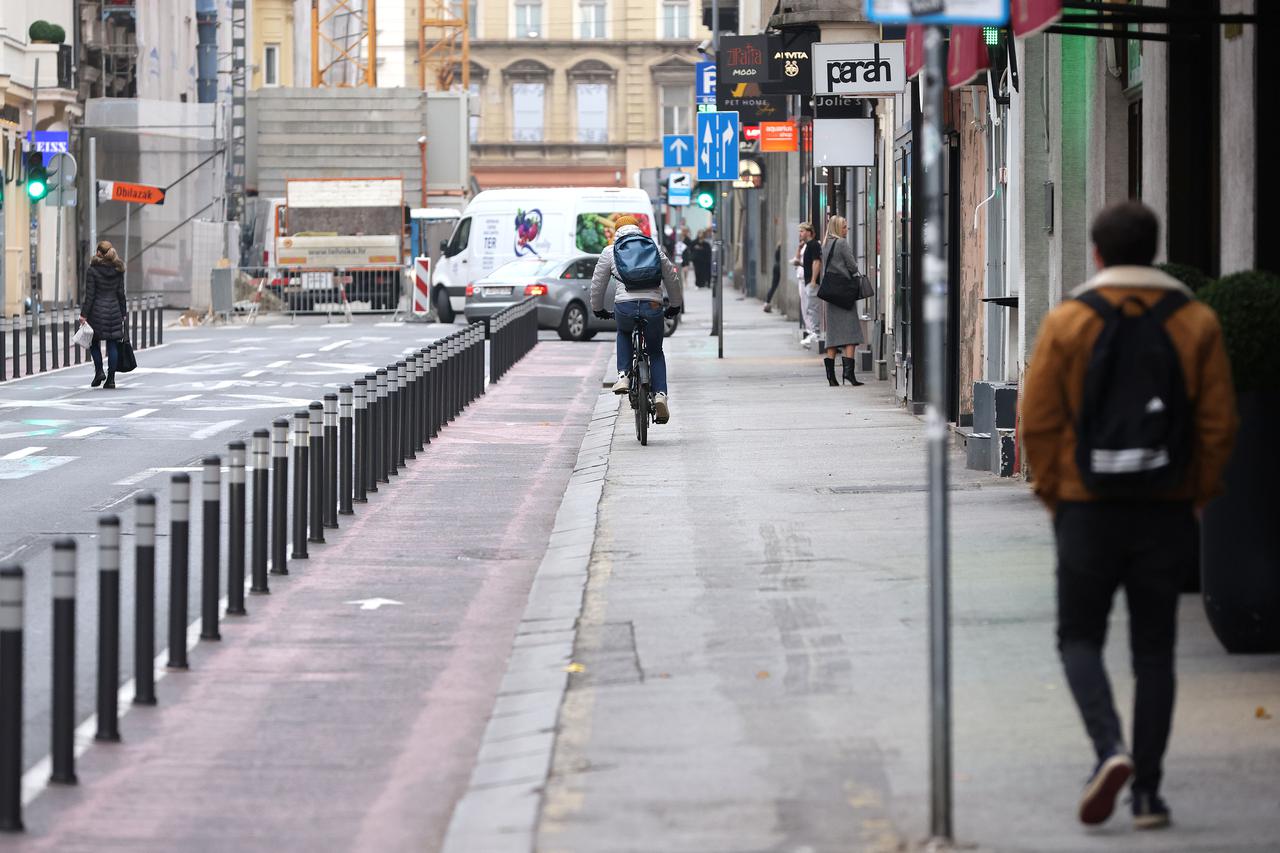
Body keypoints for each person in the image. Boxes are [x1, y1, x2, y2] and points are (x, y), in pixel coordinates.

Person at [1021, 201, 1237, 831]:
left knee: (1079, 636)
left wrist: (1058, 497)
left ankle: (1107, 748)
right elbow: (1219, 424)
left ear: (1096, 254)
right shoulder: (1195, 320)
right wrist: (1194, 494)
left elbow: (1037, 421)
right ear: (1155, 249)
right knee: (1155, 650)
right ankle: (1147, 793)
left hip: (1087, 508)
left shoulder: (1068, 320)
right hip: (1165, 507)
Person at [590, 215, 683, 424]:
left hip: (625, 306)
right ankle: (660, 395)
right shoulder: (653, 248)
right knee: (655, 351)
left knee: (623, 331)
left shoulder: (610, 251)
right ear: (638, 229)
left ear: (617, 231)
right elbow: (672, 278)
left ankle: (623, 375)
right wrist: (675, 305)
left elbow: (598, 284)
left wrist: (598, 309)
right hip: (653, 306)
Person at [817, 216, 865, 386]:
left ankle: (831, 377)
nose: (847, 229)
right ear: (837, 228)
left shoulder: (825, 244)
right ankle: (849, 374)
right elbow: (852, 266)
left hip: (831, 294)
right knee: (851, 334)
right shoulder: (842, 243)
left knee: (833, 335)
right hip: (844, 294)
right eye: (844, 227)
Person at [80, 241, 128, 389]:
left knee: (93, 342)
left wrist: (84, 314)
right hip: (114, 311)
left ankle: (99, 371)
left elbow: (90, 295)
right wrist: (123, 312)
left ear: (99, 253)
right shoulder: (118, 270)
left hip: (96, 312)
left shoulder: (93, 270)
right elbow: (121, 293)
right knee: (112, 344)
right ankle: (111, 379)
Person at [791, 223, 823, 347]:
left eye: (802, 231)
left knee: (812, 307)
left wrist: (814, 280)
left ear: (809, 232)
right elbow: (810, 263)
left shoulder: (813, 245)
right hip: (808, 280)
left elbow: (816, 262)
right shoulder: (808, 245)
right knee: (809, 307)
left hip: (811, 281)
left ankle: (815, 332)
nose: (800, 234)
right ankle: (813, 332)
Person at [762, 242, 782, 313]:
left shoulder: (777, 249)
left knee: (773, 286)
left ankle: (767, 303)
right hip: (779, 267)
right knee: (774, 286)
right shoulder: (781, 250)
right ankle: (767, 303)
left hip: (776, 266)